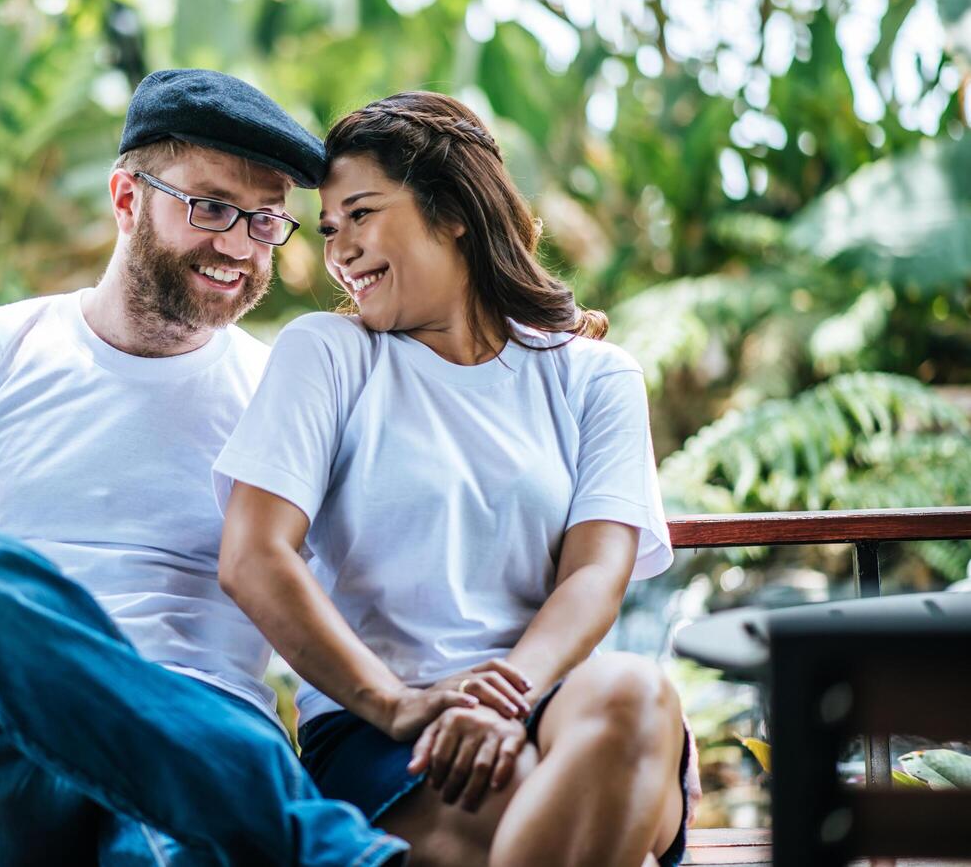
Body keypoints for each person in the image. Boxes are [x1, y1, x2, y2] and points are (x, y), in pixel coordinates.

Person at [0, 70, 412, 867]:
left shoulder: (287, 399)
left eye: (264, 221)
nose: (238, 246)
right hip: (9, 773)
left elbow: (367, 607)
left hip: (204, 763)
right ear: (125, 198)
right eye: (210, 206)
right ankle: (325, 852)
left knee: (192, 796)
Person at [216, 91, 693, 867]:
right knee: (568, 803)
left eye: (362, 214)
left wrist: (505, 695)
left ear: (454, 211)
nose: (338, 250)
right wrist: (400, 705)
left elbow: (595, 577)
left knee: (635, 693)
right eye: (329, 227)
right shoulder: (327, 356)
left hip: (557, 700)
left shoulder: (593, 377)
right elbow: (251, 556)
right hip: (384, 731)